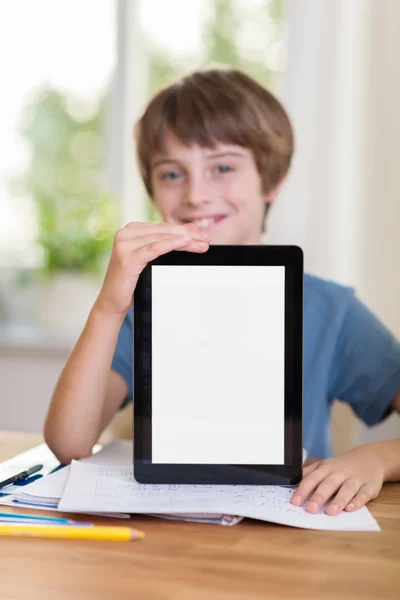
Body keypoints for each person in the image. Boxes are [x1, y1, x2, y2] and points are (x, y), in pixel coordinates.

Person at [44, 68, 400, 515]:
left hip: (291, 539)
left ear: (271, 181)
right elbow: (68, 444)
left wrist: (379, 458)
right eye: (172, 173)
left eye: (223, 167)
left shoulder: (332, 310)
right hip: (167, 541)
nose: (196, 194)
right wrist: (109, 307)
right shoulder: (142, 305)